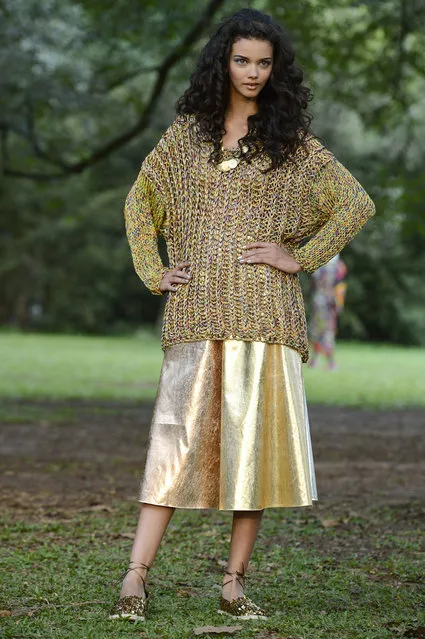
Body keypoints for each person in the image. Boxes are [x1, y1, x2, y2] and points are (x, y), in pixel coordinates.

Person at [110, 7, 375, 623]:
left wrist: (298, 256)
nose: (253, 72)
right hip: (197, 309)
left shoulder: (291, 145)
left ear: (275, 67)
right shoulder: (186, 135)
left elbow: (354, 204)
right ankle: (135, 578)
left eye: (263, 62)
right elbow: (140, 201)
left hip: (265, 312)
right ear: (222, 63)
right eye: (241, 60)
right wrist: (154, 271)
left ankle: (233, 585)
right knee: (173, 442)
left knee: (251, 452)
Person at [308, 254, 348, 370]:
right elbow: (340, 287)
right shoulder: (338, 266)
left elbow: (314, 284)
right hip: (328, 302)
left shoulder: (320, 264)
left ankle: (318, 361)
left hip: (321, 301)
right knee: (325, 331)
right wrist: (339, 304)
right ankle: (327, 362)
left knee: (319, 330)